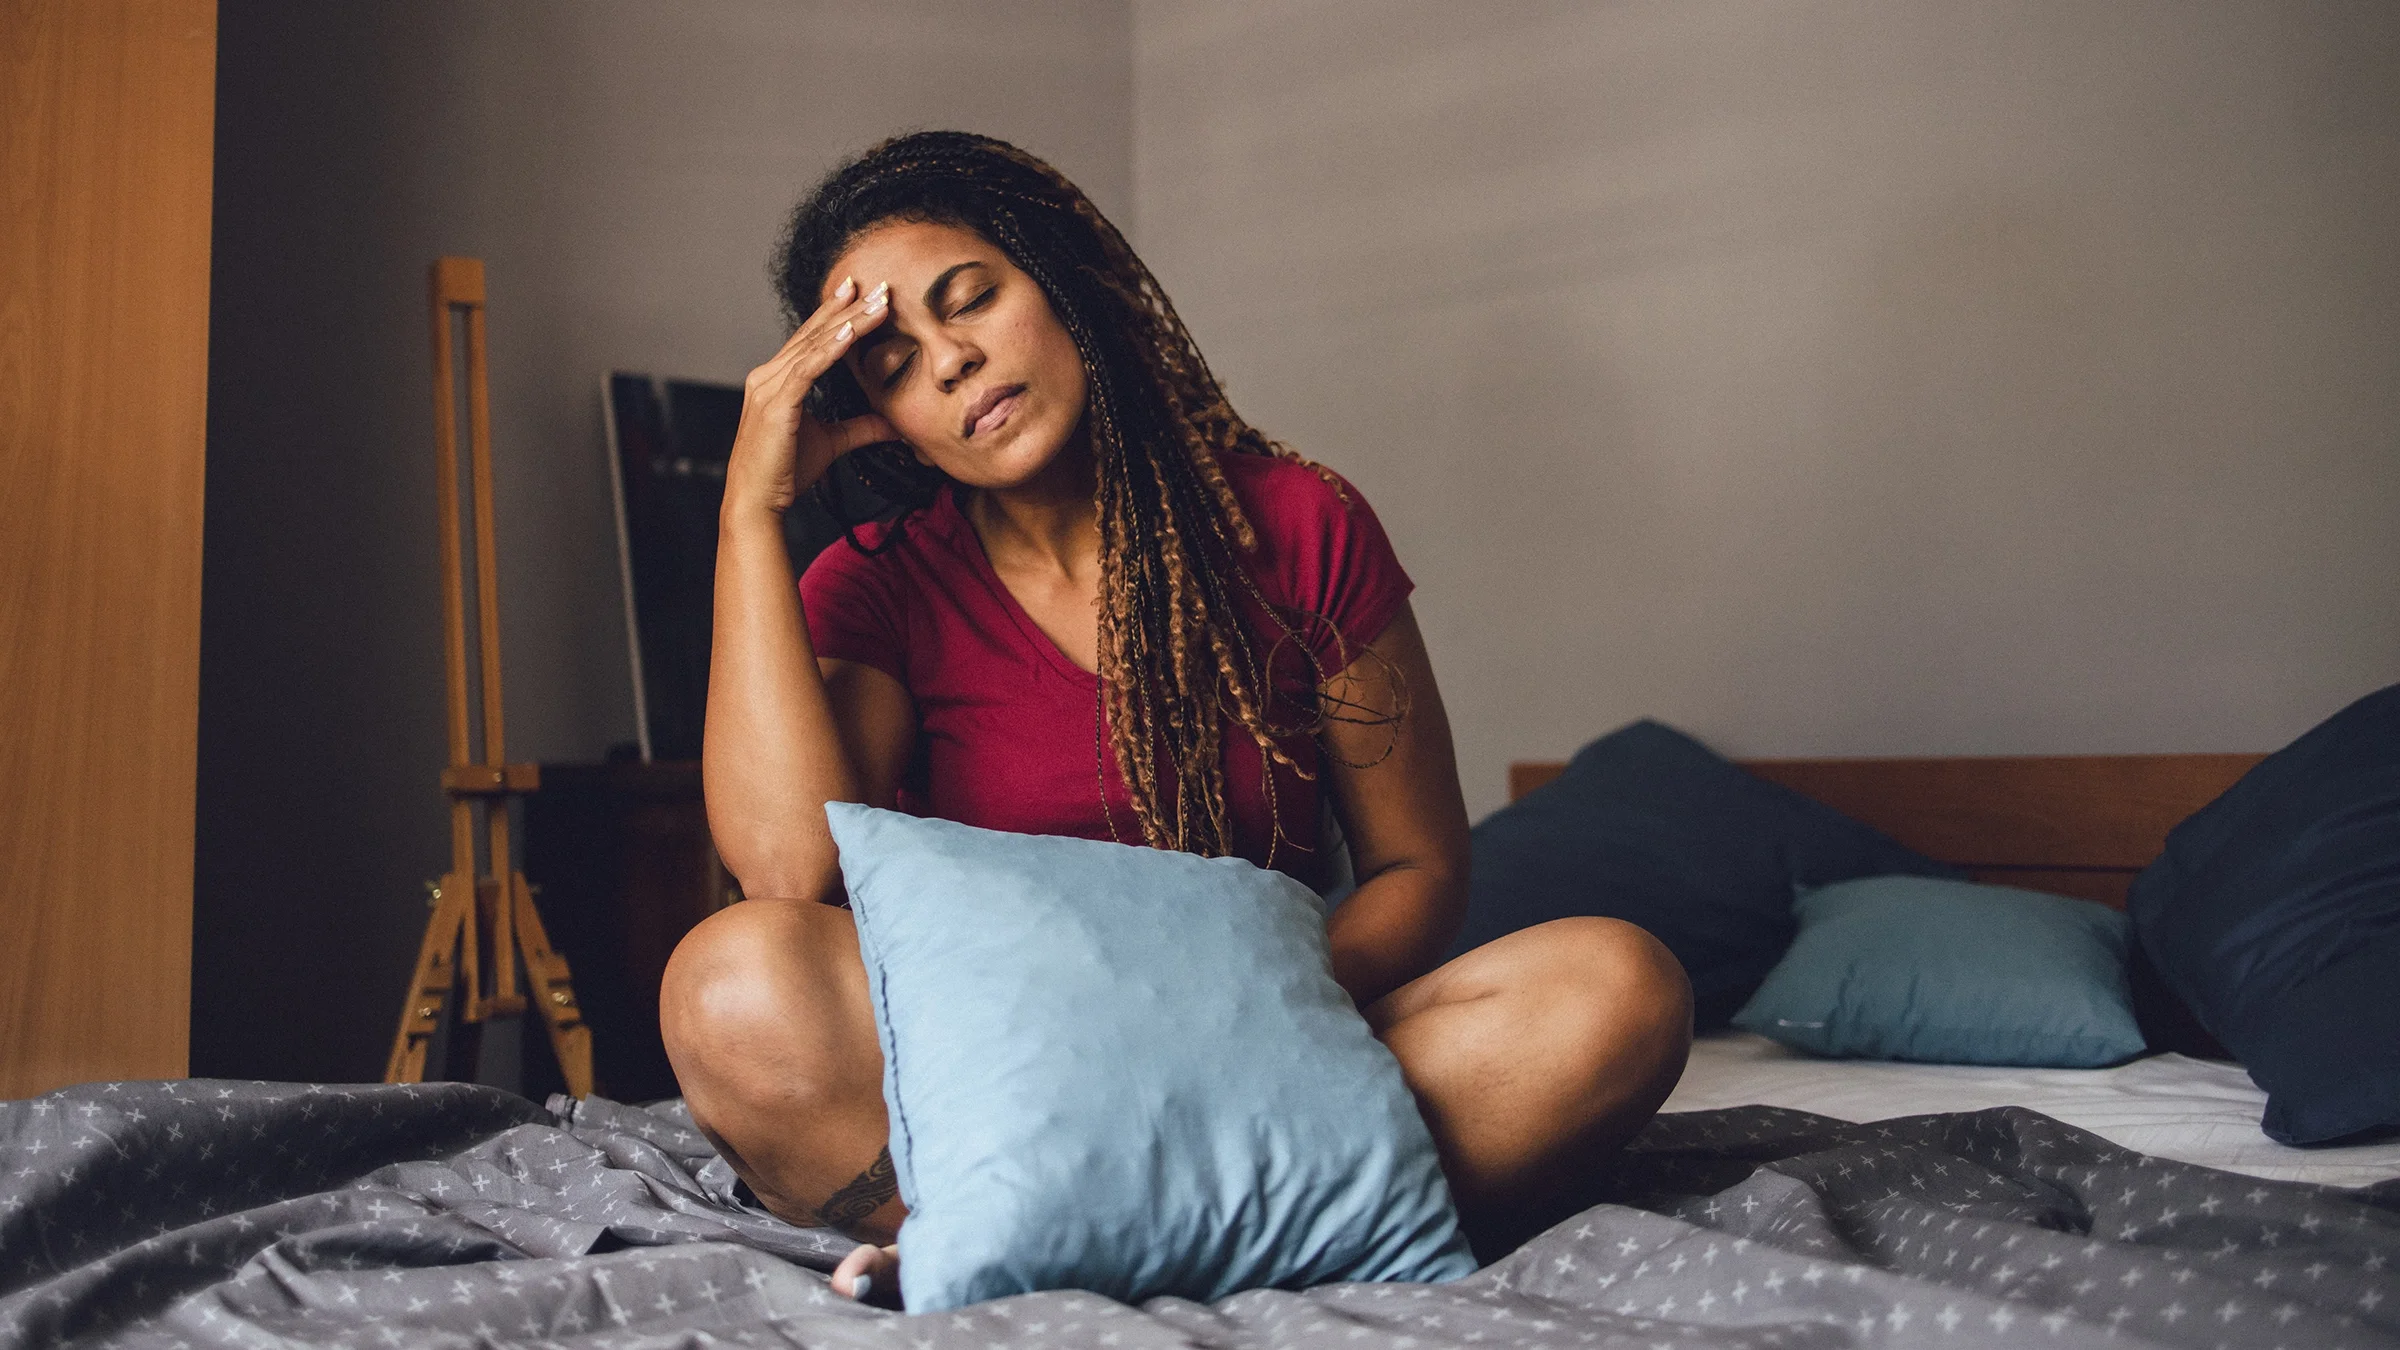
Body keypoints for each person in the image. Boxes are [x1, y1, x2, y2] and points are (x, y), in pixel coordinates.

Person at [659, 131, 1691, 1301]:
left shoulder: (1302, 523)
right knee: (729, 985)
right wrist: (749, 508)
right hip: (997, 1076)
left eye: (972, 301)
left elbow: (1417, 865)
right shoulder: (878, 581)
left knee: (1618, 985)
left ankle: (1040, 1241)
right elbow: (788, 875)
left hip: (1280, 1049)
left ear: (1062, 280)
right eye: (894, 363)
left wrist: (1232, 1014)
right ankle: (1103, 1221)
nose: (949, 363)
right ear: (880, 415)